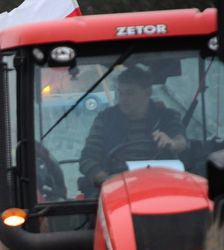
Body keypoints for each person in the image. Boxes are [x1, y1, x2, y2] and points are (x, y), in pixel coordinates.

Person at [79, 65, 187, 194]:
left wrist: (172, 143)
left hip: (163, 184)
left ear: (147, 93)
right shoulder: (105, 119)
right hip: (116, 187)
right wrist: (105, 180)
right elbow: (87, 158)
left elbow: (181, 141)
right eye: (120, 92)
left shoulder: (167, 116)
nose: (123, 99)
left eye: (129, 93)